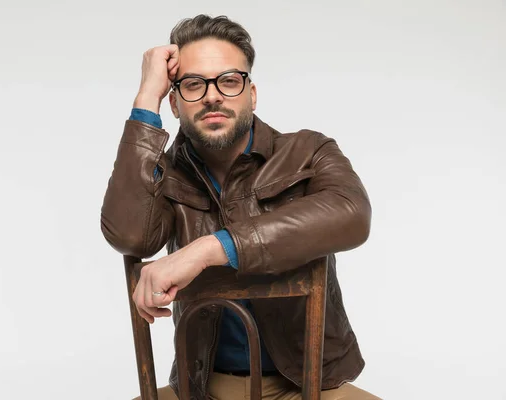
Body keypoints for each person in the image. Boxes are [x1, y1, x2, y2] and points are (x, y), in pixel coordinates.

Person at [101, 14, 380, 400]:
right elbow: (128, 235)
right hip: (202, 388)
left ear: (251, 93)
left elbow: (351, 213)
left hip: (308, 387)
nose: (213, 95)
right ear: (176, 104)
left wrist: (209, 249)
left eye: (229, 81)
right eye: (194, 84)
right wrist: (146, 100)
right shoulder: (161, 176)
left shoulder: (308, 151)